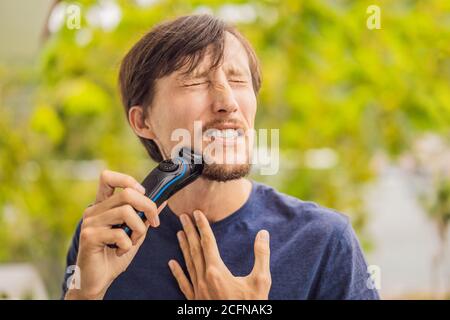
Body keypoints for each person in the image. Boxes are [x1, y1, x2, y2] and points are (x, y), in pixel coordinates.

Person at [62, 14, 379, 300]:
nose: (227, 101)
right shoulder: (109, 238)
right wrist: (85, 294)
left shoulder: (323, 242)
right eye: (196, 81)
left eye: (238, 80)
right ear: (142, 121)